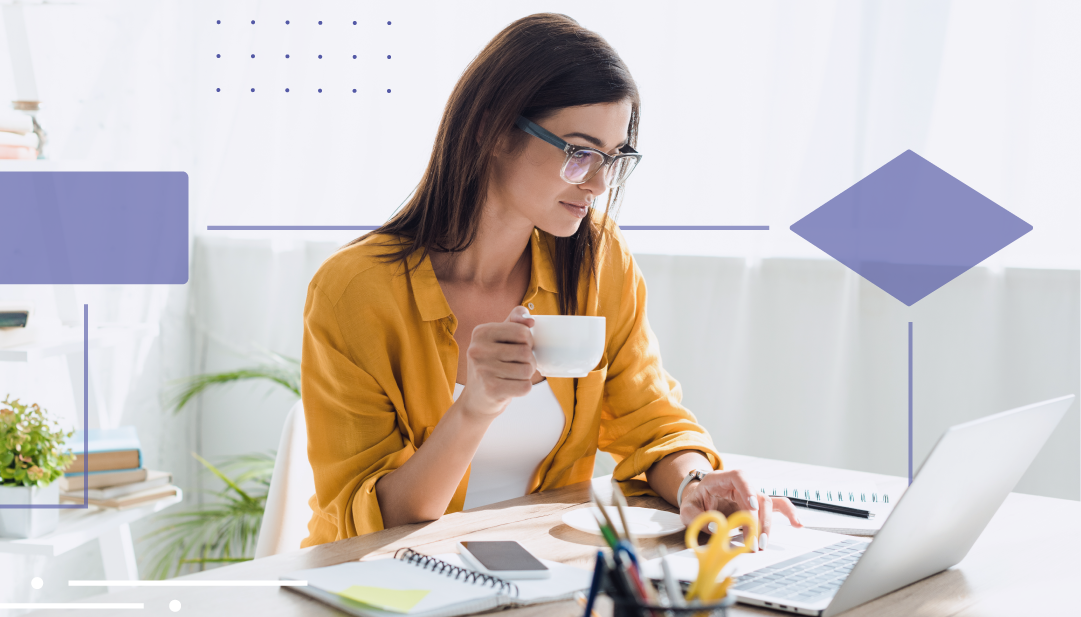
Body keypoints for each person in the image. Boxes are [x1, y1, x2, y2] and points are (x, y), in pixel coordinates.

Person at [300, 13, 801, 550]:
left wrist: (696, 482)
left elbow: (650, 420)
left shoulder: (598, 260)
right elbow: (376, 521)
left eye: (614, 159)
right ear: (491, 129)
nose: (600, 183)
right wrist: (477, 406)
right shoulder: (355, 290)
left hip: (538, 573)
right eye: (579, 152)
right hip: (384, 582)